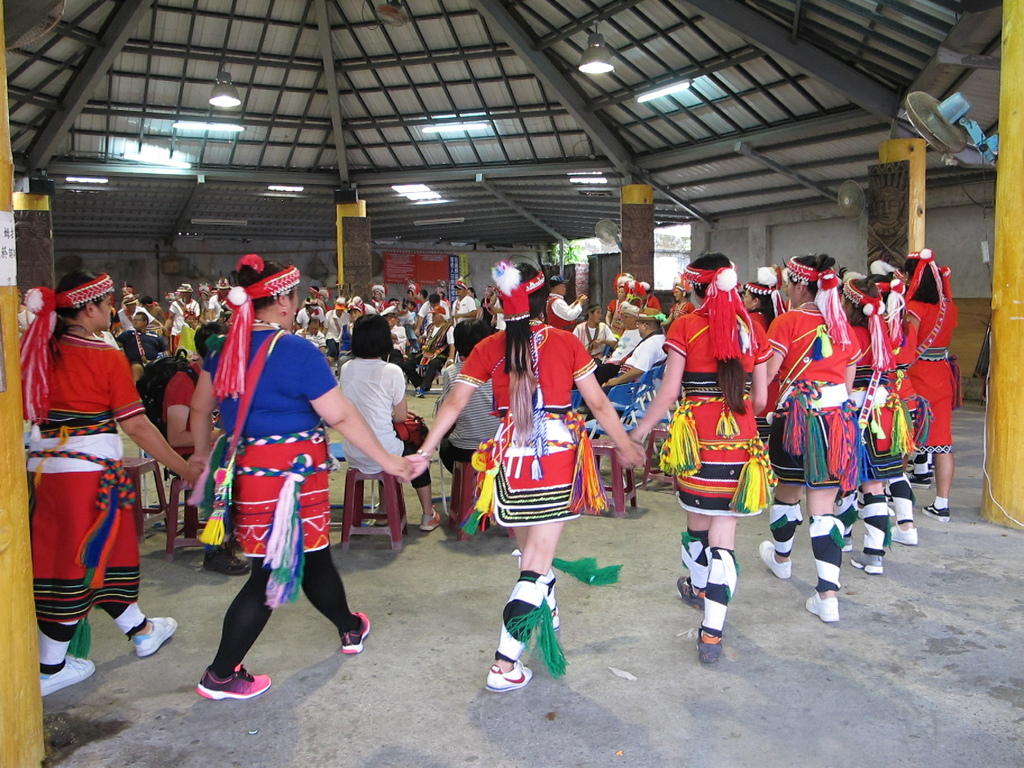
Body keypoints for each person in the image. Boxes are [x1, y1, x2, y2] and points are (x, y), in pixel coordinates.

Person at [189, 254, 419, 701]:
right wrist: (389, 461)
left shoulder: (222, 348)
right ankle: (219, 675)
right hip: (293, 477)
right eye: (293, 297)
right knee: (267, 576)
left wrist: (201, 454)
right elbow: (341, 416)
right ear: (281, 300)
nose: (295, 305)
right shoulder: (296, 351)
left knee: (314, 556)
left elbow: (201, 409)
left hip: (247, 472)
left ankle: (350, 627)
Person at [416, 261, 644, 692]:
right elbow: (597, 404)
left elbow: (452, 404)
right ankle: (504, 664)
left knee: (531, 553)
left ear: (501, 301)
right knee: (536, 566)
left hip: (508, 460)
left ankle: (547, 610)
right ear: (545, 300)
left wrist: (426, 450)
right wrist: (624, 443)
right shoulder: (563, 342)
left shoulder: (488, 347)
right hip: (555, 460)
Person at [21, 271, 200, 697]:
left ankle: (141, 630)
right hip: (89, 477)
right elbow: (136, 425)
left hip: (47, 473)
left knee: (104, 556)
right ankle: (51, 669)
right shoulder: (104, 355)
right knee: (78, 564)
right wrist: (185, 467)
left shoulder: (40, 351)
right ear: (87, 309)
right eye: (105, 303)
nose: (111, 310)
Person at [632, 254, 773, 663]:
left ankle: (697, 588)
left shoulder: (686, 327)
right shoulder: (752, 327)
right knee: (724, 540)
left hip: (699, 442)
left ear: (695, 289)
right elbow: (761, 400)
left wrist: (637, 433)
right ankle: (712, 634)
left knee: (697, 523)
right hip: (741, 444)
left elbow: (668, 392)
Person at [757, 254, 861, 624]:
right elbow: (846, 387)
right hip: (836, 424)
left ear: (801, 285)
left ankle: (782, 559)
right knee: (824, 508)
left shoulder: (787, 322)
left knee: (787, 489)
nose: (786, 288)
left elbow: (768, 374)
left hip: (794, 419)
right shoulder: (844, 327)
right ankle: (828, 595)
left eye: (788, 283)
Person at [340, 314, 442, 532]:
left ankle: (385, 513)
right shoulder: (392, 370)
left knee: (386, 445)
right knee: (415, 454)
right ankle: (427, 514)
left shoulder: (346, 367)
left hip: (354, 452)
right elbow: (399, 417)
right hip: (383, 452)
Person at [163, 322, 248, 576]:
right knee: (226, 472)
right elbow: (176, 437)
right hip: (192, 454)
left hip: (215, 448)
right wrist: (219, 436)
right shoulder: (184, 381)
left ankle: (238, 535)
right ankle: (215, 549)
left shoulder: (222, 377)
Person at [838, 276, 906, 576]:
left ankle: (842, 539)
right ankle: (875, 553)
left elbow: (843, 379)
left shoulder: (847, 335)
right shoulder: (882, 334)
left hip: (856, 413)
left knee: (845, 480)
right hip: (884, 413)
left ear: (851, 304)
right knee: (875, 485)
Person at [871, 261, 927, 546]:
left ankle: (868, 542)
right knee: (895, 469)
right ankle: (907, 525)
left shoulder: (873, 330)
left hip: (878, 407)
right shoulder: (907, 327)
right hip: (906, 400)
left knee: (871, 476)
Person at [905, 248, 959, 522]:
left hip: (916, 378)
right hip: (942, 377)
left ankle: (895, 496)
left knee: (900, 438)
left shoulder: (915, 307)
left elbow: (908, 346)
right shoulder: (949, 307)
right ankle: (942, 504)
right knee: (943, 445)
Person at [437, 319, 500, 472]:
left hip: (465, 449)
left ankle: (465, 488)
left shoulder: (452, 373)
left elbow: (445, 413)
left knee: (444, 446)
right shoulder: (500, 369)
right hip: (500, 448)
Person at [597, 308, 667, 389]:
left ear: (645, 326)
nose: (638, 328)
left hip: (629, 385)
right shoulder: (660, 338)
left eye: (638, 325)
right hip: (629, 380)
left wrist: (616, 381)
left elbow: (639, 370)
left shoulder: (650, 344)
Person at [405, 305, 453, 397]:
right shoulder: (430, 326)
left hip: (439, 354)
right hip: (425, 353)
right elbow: (424, 336)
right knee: (407, 365)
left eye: (435, 315)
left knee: (434, 364)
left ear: (441, 317)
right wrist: (421, 338)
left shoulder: (449, 328)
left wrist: (451, 359)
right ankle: (420, 384)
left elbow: (452, 344)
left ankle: (423, 387)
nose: (432, 317)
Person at [594, 303, 642, 381]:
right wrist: (603, 341)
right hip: (610, 361)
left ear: (634, 318)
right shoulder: (626, 331)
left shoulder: (639, 333)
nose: (622, 319)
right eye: (622, 316)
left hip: (620, 366)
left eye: (625, 317)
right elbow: (618, 346)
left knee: (593, 373)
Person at [116, 311, 168, 380]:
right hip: (136, 362)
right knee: (136, 367)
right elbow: (115, 345)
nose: (135, 322)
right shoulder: (128, 334)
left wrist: (162, 358)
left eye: (138, 320)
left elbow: (165, 350)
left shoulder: (155, 336)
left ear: (145, 322)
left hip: (154, 362)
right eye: (134, 320)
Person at [743, 267, 785, 332]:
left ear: (755, 301)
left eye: (745, 297)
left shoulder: (750, 320)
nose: (743, 300)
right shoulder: (768, 318)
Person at [165, 283, 201, 353]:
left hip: (189, 333)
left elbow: (197, 318)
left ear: (190, 293)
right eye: (182, 293)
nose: (183, 294)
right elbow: (170, 318)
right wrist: (165, 328)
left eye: (185, 293)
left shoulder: (195, 304)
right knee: (174, 353)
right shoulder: (175, 304)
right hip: (176, 332)